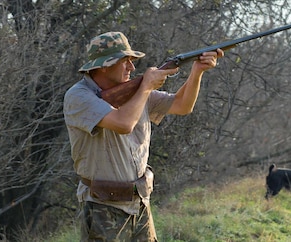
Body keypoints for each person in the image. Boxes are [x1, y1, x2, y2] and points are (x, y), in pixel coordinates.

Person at [63, 31, 223, 241]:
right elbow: (123, 124)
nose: (132, 67)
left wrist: (197, 71)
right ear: (104, 65)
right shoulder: (79, 96)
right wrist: (146, 86)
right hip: (102, 207)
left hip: (139, 204)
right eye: (125, 61)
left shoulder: (135, 92)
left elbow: (182, 105)